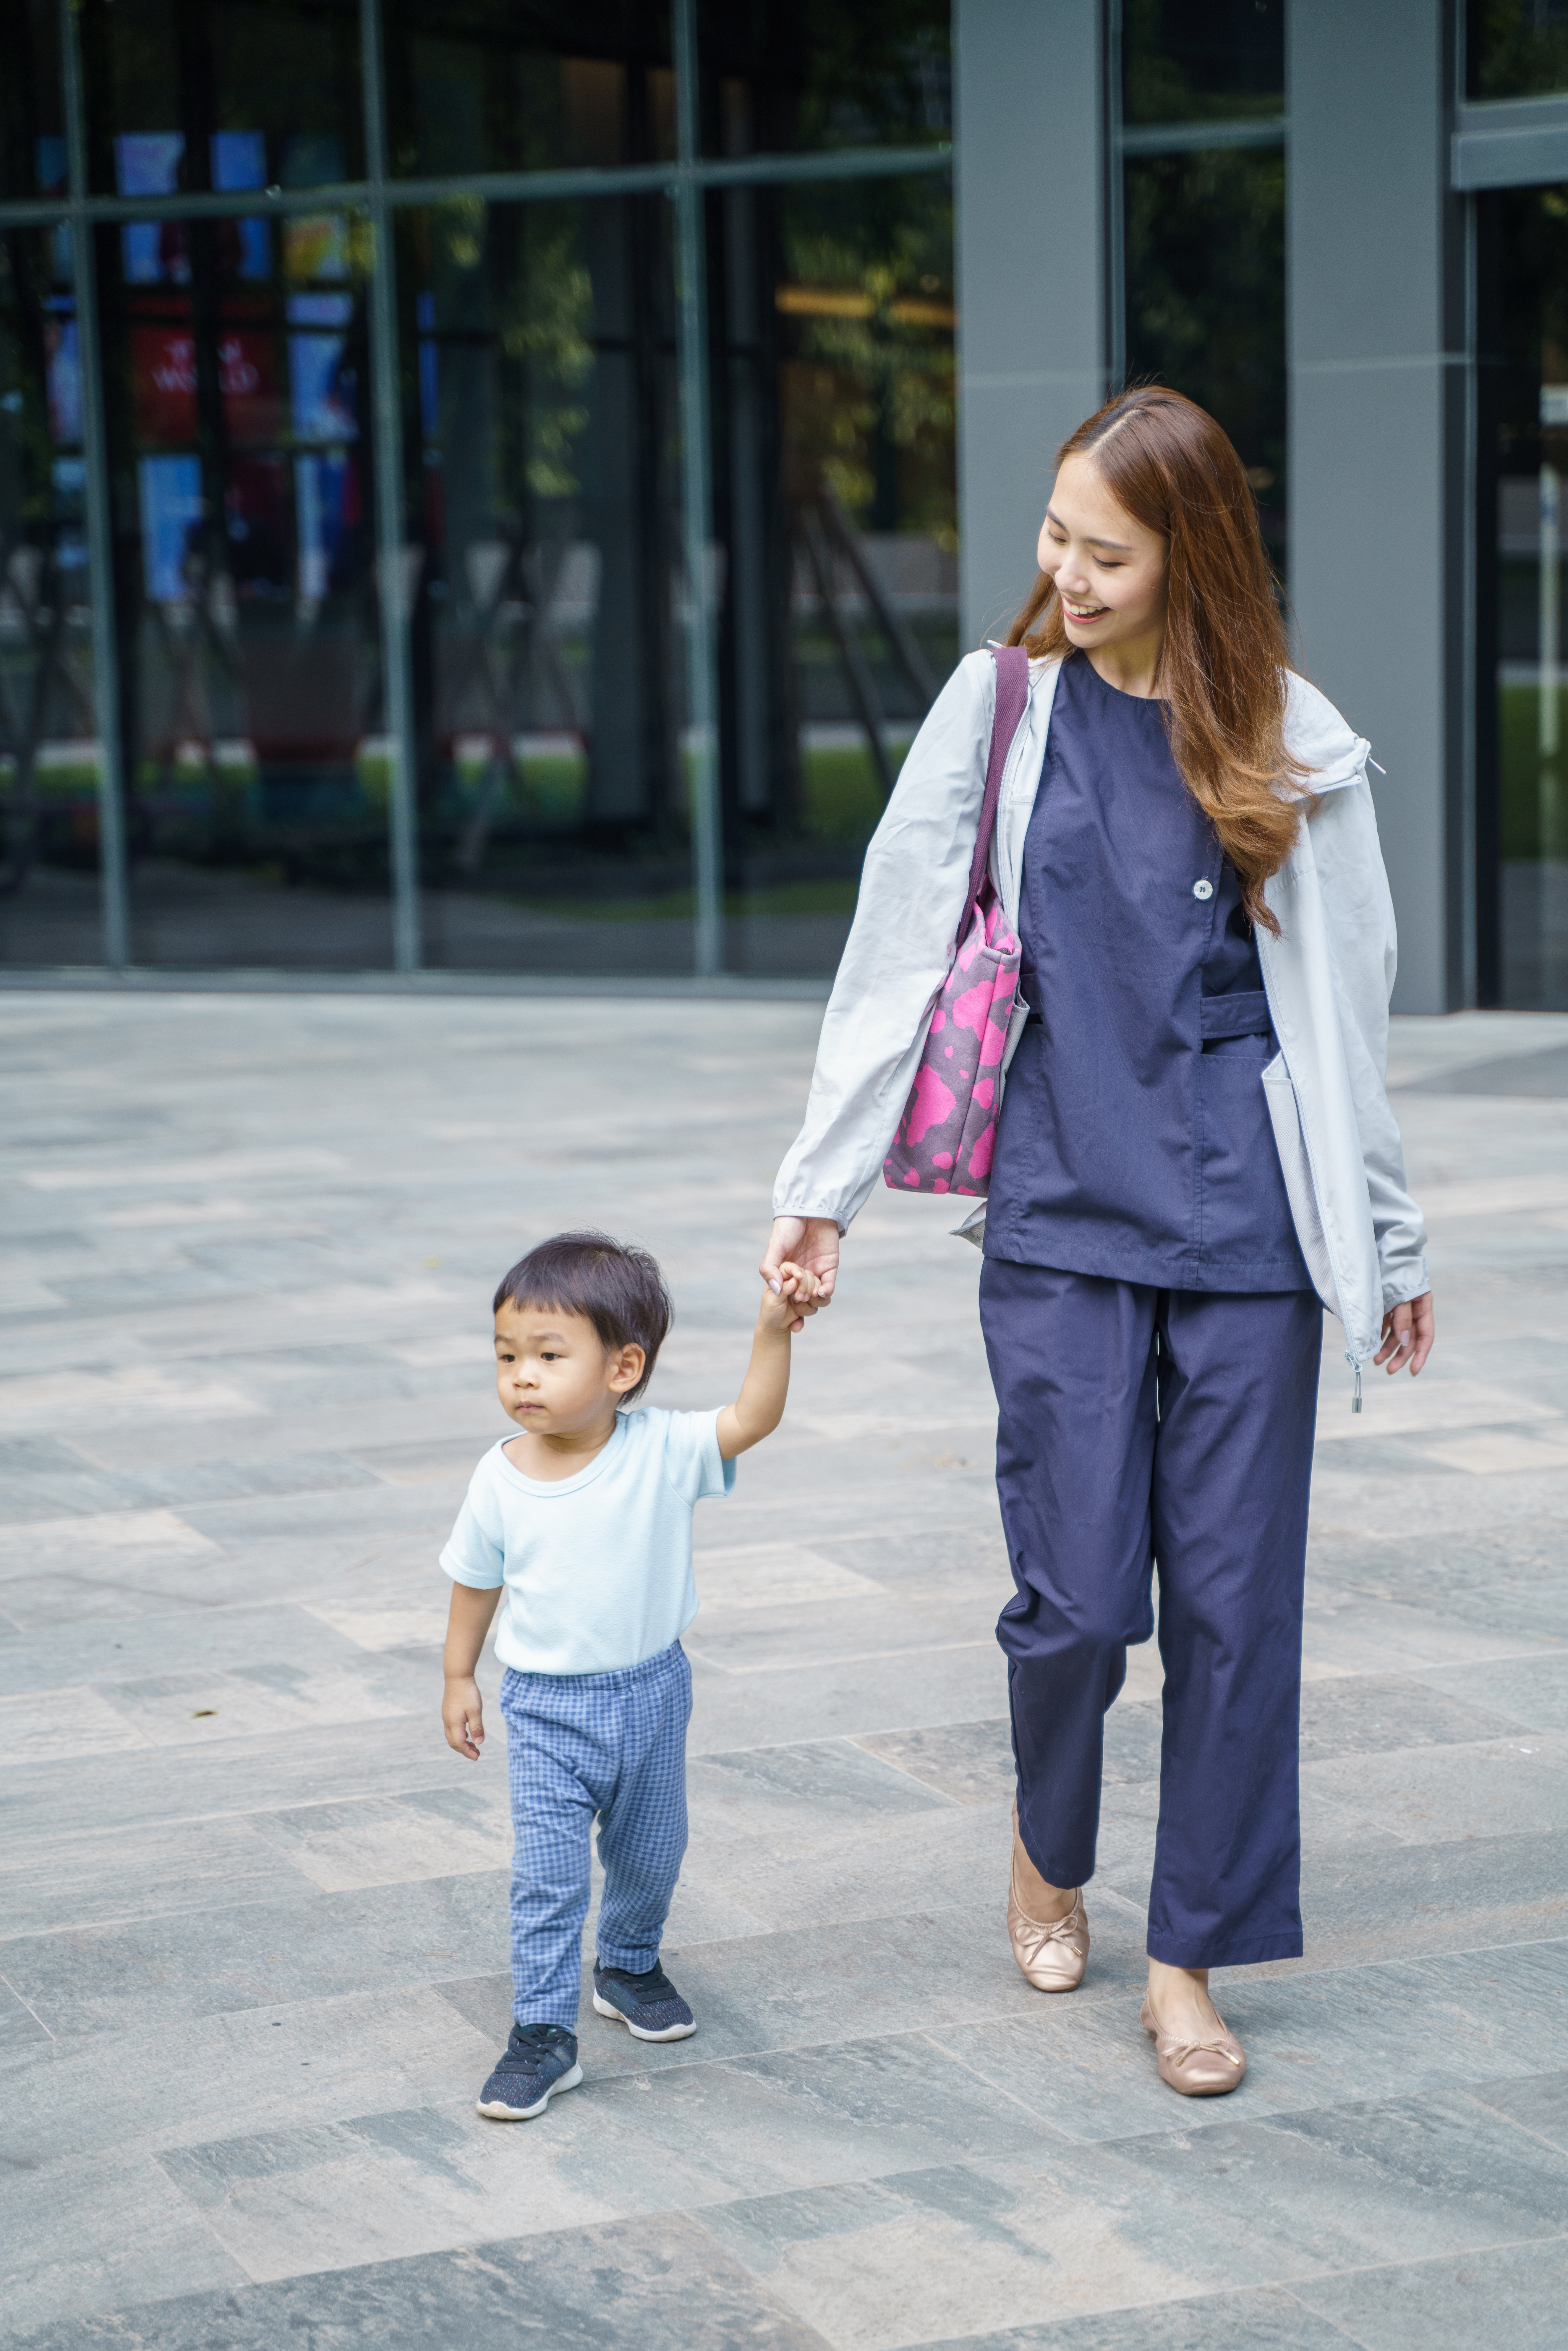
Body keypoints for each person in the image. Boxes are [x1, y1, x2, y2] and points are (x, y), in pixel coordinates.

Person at [761, 386, 1434, 2098]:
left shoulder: (1293, 737)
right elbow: (895, 952)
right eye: (1055, 533)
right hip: (1062, 1201)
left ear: (1188, 555)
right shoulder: (1001, 710)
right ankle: (1044, 1844)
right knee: (1073, 1600)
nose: (1064, 568)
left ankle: (1186, 1958)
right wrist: (814, 1193)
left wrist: (1388, 1239)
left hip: (1251, 1228)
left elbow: (1350, 1009)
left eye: (1104, 549)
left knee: (1229, 1606)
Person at [439, 1228, 819, 2120]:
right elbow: (474, 1580)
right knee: (549, 1876)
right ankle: (542, 2034)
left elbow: (752, 1420)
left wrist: (773, 1330)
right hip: (545, 1710)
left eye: (547, 1355)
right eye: (506, 1356)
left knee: (653, 1853)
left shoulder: (662, 1449)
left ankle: (629, 1963)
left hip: (653, 1692)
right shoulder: (498, 1478)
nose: (520, 1376)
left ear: (622, 1368)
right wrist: (460, 1675)